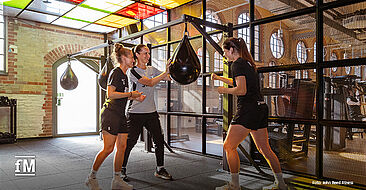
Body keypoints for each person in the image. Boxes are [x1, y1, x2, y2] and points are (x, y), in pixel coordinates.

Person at [212, 37, 288, 190]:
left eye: (225, 51)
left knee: (229, 146)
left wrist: (222, 90)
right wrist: (219, 78)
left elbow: (241, 90)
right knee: (264, 148)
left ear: (232, 50)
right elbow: (239, 82)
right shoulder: (247, 63)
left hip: (248, 109)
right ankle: (281, 184)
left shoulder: (237, 64)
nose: (224, 54)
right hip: (260, 108)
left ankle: (234, 185)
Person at [85, 44, 145, 190]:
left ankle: (117, 180)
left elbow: (121, 96)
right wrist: (131, 94)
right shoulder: (116, 72)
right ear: (123, 58)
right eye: (131, 57)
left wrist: (135, 98)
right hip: (110, 114)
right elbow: (110, 94)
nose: (133, 59)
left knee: (122, 147)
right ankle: (91, 178)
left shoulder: (125, 75)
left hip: (120, 114)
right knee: (108, 148)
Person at [121, 44, 172, 181]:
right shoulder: (132, 71)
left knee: (159, 140)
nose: (147, 56)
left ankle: (160, 169)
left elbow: (167, 77)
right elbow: (149, 82)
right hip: (135, 112)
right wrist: (165, 72)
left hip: (151, 112)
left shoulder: (151, 69)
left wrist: (173, 69)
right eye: (144, 53)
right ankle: (121, 169)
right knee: (130, 142)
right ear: (137, 55)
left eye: (148, 53)